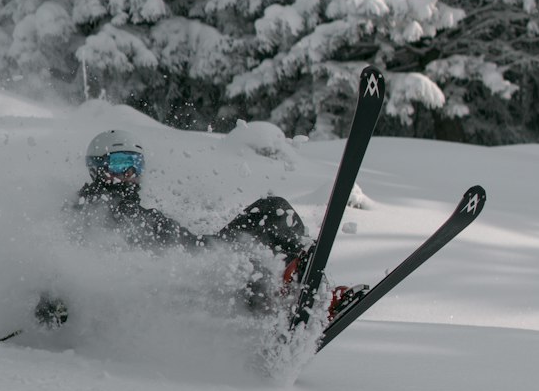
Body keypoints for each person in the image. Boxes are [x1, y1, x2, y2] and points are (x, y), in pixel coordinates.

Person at [32, 127, 364, 329]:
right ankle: (294, 296)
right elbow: (63, 256)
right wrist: (53, 298)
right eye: (120, 164)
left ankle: (307, 286)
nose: (129, 173)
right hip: (177, 279)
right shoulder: (86, 209)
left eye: (135, 164)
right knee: (249, 260)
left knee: (272, 211)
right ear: (97, 167)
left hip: (201, 256)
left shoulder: (135, 209)